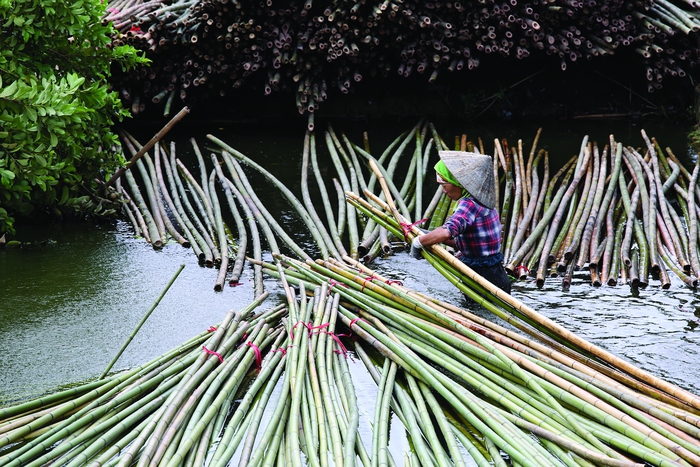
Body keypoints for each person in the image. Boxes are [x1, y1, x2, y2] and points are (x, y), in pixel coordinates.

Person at [410, 150, 511, 294]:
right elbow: (469, 244)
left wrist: (418, 242)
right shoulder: (482, 200)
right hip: (496, 275)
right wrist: (428, 236)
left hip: (482, 278)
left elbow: (447, 232)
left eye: (444, 185)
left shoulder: (469, 204)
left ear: (458, 183)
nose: (444, 191)